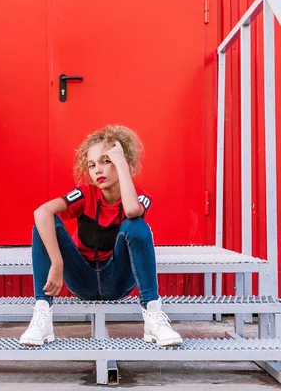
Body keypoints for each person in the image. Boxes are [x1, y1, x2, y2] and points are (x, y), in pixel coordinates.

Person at [19, 124, 182, 347]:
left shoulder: (141, 197)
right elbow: (42, 212)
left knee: (136, 225)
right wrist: (57, 263)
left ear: (123, 162)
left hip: (117, 281)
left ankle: (153, 316)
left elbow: (133, 211)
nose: (97, 170)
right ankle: (42, 314)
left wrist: (122, 164)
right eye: (92, 164)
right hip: (82, 279)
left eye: (106, 161)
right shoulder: (85, 194)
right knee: (44, 223)